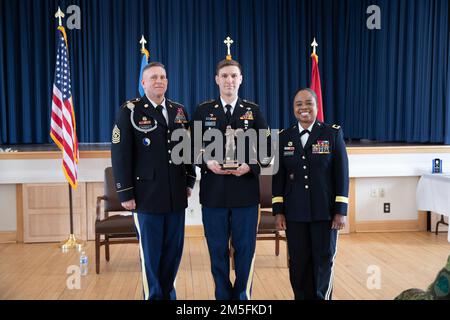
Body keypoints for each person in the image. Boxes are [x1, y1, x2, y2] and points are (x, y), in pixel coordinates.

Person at [111, 62, 196, 300]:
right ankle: (154, 297)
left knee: (173, 253)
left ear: (167, 81)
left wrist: (190, 179)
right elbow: (120, 154)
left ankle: (169, 295)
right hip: (146, 197)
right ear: (143, 83)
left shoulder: (179, 110)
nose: (159, 81)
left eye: (163, 77)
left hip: (176, 197)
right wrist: (125, 193)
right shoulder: (130, 110)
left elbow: (186, 149)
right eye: (153, 77)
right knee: (151, 256)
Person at [192, 59, 271, 300]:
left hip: (245, 195)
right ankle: (222, 296)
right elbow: (191, 147)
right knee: (217, 250)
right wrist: (207, 161)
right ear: (216, 79)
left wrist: (251, 166)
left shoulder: (253, 110)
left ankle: (242, 297)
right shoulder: (203, 110)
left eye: (234, 76)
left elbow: (267, 151)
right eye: (224, 76)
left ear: (241, 79)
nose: (229, 80)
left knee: (245, 250)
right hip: (214, 194)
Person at [272, 88, 349, 300]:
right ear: (293, 108)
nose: (303, 107)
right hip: (295, 214)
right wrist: (278, 211)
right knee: (298, 263)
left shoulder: (332, 133)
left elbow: (341, 175)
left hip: (325, 213)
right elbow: (278, 177)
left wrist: (340, 211)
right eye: (298, 104)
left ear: (316, 106)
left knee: (324, 261)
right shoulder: (284, 136)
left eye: (308, 103)